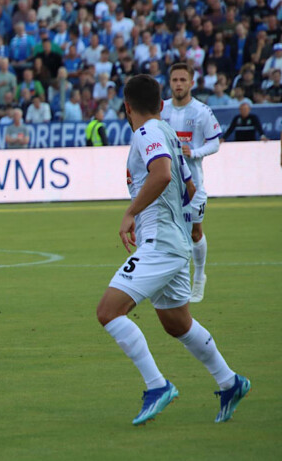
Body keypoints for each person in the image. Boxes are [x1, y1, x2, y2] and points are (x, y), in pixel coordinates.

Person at [96, 74, 250, 426]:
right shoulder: (167, 131)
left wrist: (132, 213)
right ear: (162, 103)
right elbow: (190, 186)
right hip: (175, 241)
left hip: (161, 244)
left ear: (126, 105)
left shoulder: (147, 132)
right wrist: (181, 221)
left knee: (109, 311)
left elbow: (162, 174)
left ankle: (157, 386)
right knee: (176, 323)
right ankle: (230, 382)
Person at [161, 63, 222, 303]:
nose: (178, 84)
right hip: (166, 185)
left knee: (196, 232)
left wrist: (194, 152)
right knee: (171, 233)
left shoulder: (202, 111)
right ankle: (176, 280)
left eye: (182, 80)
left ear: (191, 83)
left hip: (193, 185)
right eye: (175, 80)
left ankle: (199, 277)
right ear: (170, 82)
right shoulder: (161, 109)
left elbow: (215, 143)